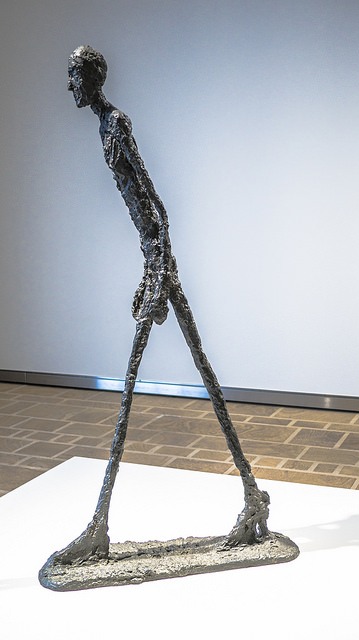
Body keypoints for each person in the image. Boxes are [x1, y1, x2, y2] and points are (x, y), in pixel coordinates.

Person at [50, 45, 270, 566]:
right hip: (153, 259)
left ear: (92, 78)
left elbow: (158, 207)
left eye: (74, 75)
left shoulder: (116, 124)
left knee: (132, 381)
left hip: (158, 261)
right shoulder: (102, 127)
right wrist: (150, 264)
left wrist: (159, 271)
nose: (69, 85)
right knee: (201, 367)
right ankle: (252, 495)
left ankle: (99, 526)